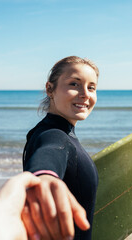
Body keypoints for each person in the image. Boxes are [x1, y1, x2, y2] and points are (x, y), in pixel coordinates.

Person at [22, 56, 99, 240]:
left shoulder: (49, 131)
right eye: (74, 84)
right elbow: (50, 151)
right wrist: (44, 176)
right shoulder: (54, 135)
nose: (85, 94)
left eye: (91, 87)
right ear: (50, 89)